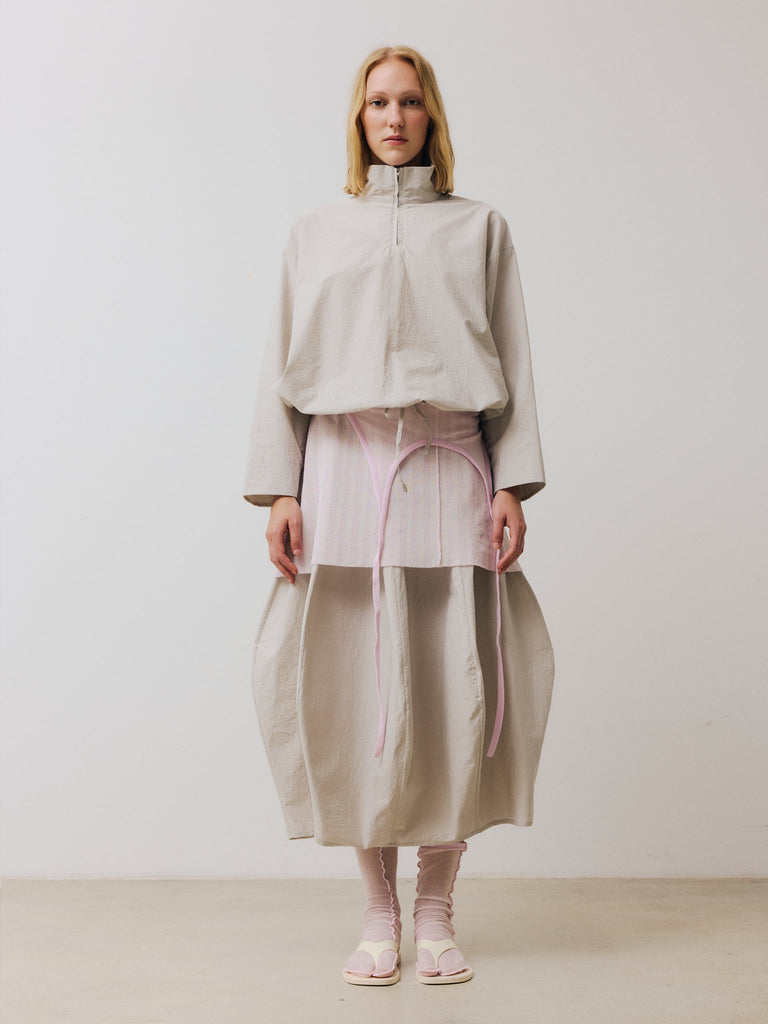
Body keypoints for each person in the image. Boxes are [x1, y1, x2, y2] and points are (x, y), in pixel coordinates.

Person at [242, 45, 555, 986]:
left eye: (409, 101)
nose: (393, 117)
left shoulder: (480, 228)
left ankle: (436, 909)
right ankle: (379, 910)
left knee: (457, 689)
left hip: (454, 464)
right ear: (358, 117)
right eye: (377, 102)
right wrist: (282, 487)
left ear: (431, 117)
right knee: (357, 692)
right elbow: (279, 366)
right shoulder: (314, 231)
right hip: (342, 471)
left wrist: (512, 481)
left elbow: (515, 363)